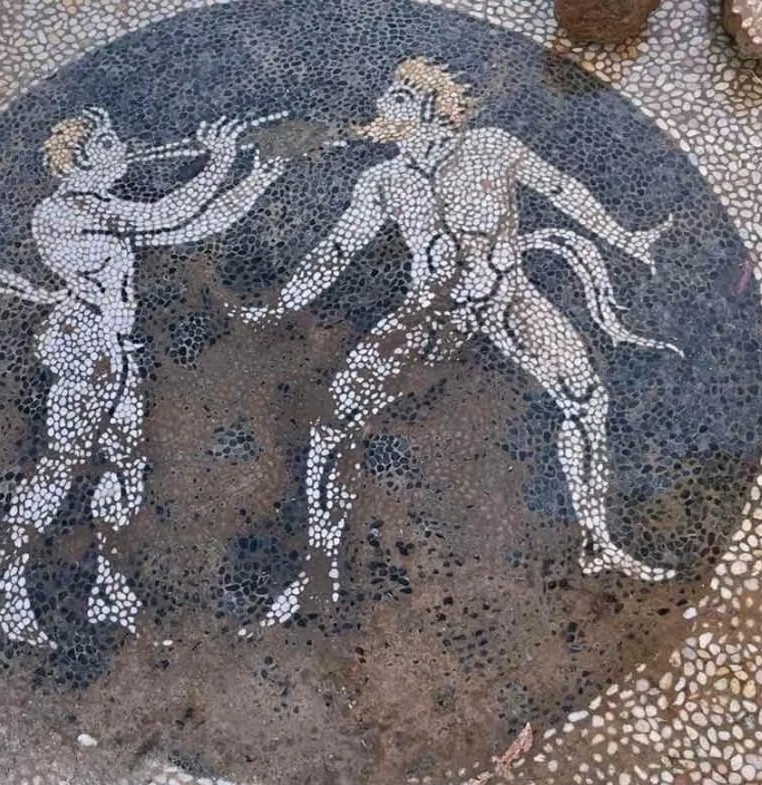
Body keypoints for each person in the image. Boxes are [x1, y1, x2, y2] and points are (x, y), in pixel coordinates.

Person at [232, 58, 682, 628]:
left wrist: (624, 238)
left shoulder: (490, 146)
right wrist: (279, 304)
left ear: (430, 108)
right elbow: (337, 250)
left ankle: (596, 539)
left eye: (397, 98)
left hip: (508, 295)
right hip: (432, 312)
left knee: (586, 398)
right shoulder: (385, 181)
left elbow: (560, 187)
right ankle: (318, 571)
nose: (382, 107)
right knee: (335, 419)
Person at [0, 107, 285, 647]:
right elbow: (164, 214)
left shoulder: (101, 208)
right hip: (85, 345)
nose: (120, 146)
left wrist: (260, 177)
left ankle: (108, 584)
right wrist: (219, 161)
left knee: (125, 466)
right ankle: (7, 586)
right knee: (63, 463)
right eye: (105, 142)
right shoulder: (64, 212)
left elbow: (194, 225)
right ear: (77, 161)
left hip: (117, 348)